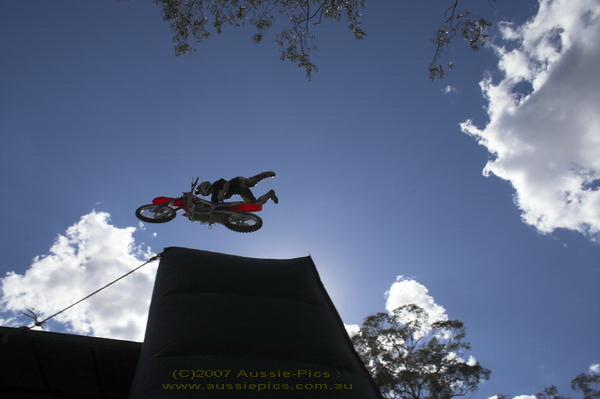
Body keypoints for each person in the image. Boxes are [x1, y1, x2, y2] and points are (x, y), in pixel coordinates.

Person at [196, 171, 279, 205]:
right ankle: (270, 194)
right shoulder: (214, 196)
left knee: (250, 183)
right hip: (241, 190)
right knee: (254, 204)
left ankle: (265, 174)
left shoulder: (216, 184)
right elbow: (214, 204)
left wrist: (222, 193)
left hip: (238, 181)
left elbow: (227, 184)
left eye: (201, 191)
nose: (203, 193)